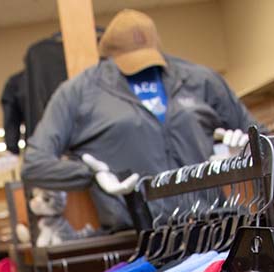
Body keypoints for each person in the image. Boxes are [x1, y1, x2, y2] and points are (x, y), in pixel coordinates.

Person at [22, 8, 258, 231]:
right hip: (140, 237)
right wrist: (90, 173)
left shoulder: (201, 81)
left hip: (216, 228)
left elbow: (264, 141)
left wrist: (244, 155)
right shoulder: (79, 92)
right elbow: (34, 164)